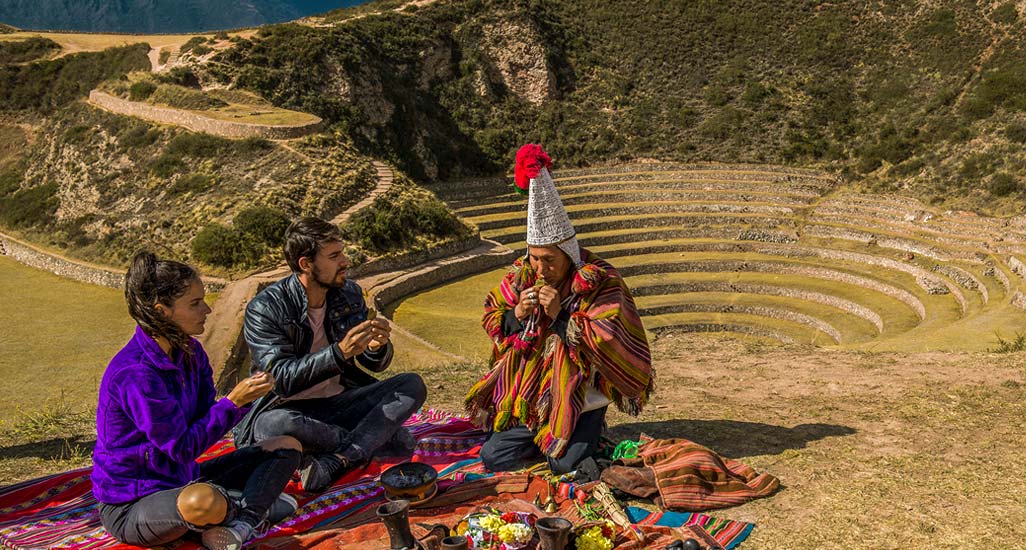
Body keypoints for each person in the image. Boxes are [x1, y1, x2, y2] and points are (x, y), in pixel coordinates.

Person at [465, 144, 654, 475]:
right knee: (494, 457)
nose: (540, 268)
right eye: (535, 258)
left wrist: (561, 319)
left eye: (549, 260)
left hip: (582, 394)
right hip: (533, 390)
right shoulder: (523, 276)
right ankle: (548, 431)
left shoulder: (602, 281)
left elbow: (608, 339)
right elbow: (493, 313)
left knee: (564, 464)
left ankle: (585, 429)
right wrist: (516, 315)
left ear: (568, 252)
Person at [93, 252, 302, 550]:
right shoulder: (134, 373)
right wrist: (232, 402)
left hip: (185, 477)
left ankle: (242, 518)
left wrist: (247, 398)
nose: (207, 309)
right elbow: (182, 448)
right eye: (195, 303)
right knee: (203, 502)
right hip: (134, 503)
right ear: (161, 311)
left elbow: (205, 421)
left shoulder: (190, 353)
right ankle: (248, 508)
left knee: (286, 446)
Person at [233, 217, 427, 493]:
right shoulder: (265, 308)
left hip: (339, 402)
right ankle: (369, 442)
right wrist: (338, 353)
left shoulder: (347, 293)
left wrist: (376, 348)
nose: (345, 262)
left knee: (411, 385)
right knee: (272, 425)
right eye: (334, 256)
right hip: (289, 410)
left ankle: (337, 460)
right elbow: (280, 379)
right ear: (306, 264)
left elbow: (370, 364)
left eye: (342, 253)